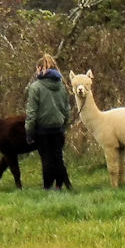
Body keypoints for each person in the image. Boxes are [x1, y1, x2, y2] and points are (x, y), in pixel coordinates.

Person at [26, 53, 72, 190]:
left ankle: (47, 187)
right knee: (58, 157)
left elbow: (32, 112)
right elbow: (67, 110)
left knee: (46, 158)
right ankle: (60, 185)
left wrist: (29, 131)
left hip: (42, 129)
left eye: (37, 68)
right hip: (58, 128)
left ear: (40, 68)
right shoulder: (62, 86)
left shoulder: (35, 87)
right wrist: (64, 125)